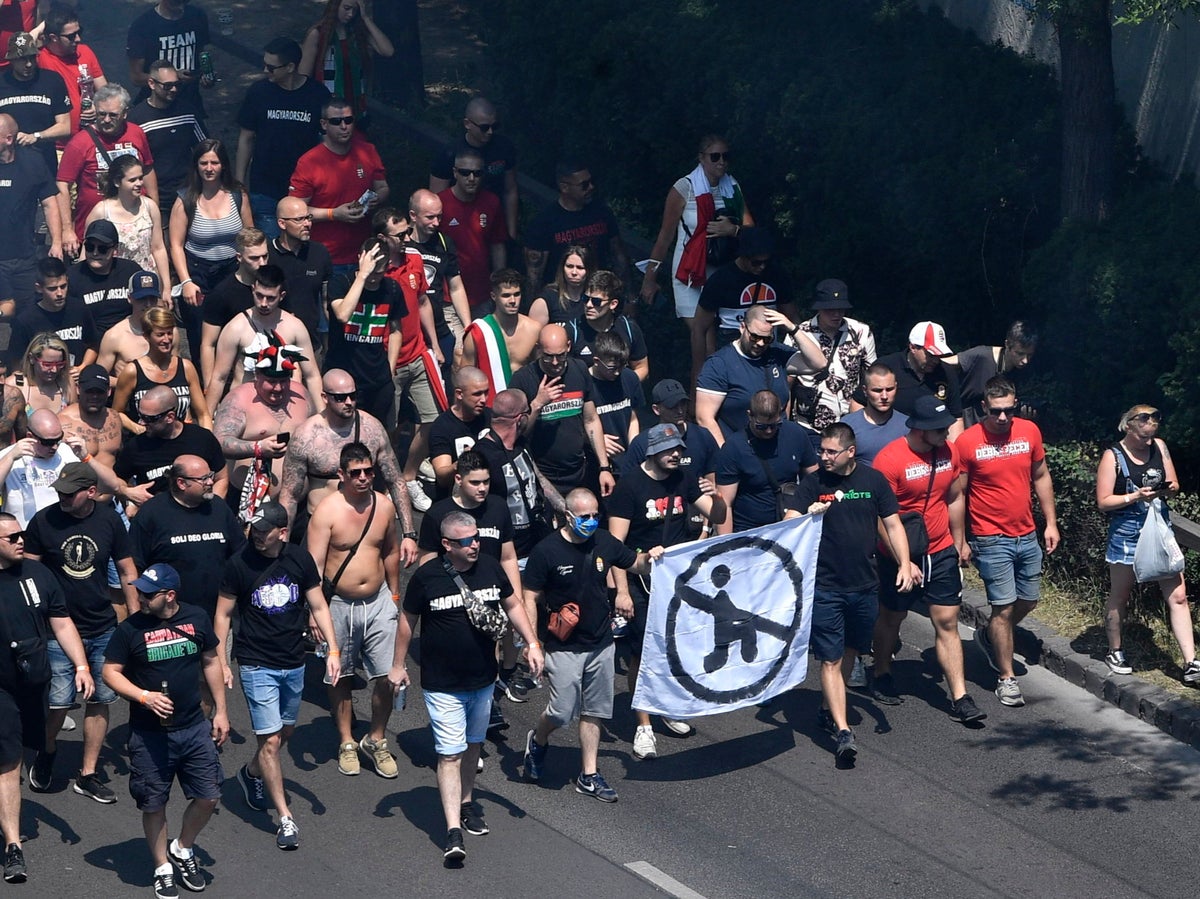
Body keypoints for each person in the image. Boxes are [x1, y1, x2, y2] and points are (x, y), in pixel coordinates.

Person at [391, 511, 542, 864]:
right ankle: (452, 832)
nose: (475, 545)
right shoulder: (426, 578)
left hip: (482, 680)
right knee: (450, 754)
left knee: (473, 745)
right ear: (447, 545)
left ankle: (466, 802)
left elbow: (512, 604)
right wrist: (397, 665)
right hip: (442, 684)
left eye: (476, 539)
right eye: (465, 541)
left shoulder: (490, 568)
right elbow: (407, 622)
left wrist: (532, 642)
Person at [214, 501, 340, 850]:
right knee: (269, 742)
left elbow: (317, 605)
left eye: (264, 530)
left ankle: (250, 773)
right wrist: (223, 662)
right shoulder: (239, 563)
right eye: (254, 528)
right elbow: (223, 615)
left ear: (282, 533)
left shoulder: (299, 559)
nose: (256, 535)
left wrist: (333, 650)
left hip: (293, 661)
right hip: (256, 662)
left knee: (284, 733)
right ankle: (285, 818)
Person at [521, 488, 661, 800]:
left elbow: (635, 563)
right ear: (568, 517)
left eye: (595, 515)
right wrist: (532, 643)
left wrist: (651, 558)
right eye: (584, 517)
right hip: (564, 646)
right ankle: (539, 740)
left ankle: (589, 774)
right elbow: (529, 597)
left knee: (594, 710)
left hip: (600, 642)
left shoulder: (604, 541)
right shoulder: (546, 552)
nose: (591, 521)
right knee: (561, 712)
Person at [785, 423, 913, 763]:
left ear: (850, 452)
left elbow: (892, 524)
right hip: (825, 587)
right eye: (821, 451)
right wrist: (804, 518)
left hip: (865, 585)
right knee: (830, 658)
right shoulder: (813, 483)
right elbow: (788, 520)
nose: (824, 457)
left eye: (830, 452)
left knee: (852, 650)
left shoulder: (872, 481)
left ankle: (828, 708)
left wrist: (904, 563)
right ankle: (843, 731)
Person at [102, 562, 229, 898]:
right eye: (139, 591)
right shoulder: (130, 630)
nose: (140, 597)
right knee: (153, 803)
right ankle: (162, 866)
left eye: (148, 593)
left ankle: (183, 848)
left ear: (170, 595)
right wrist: (144, 696)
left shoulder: (197, 618)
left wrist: (221, 711)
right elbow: (110, 673)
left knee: (209, 795)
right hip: (149, 735)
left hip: (193, 727)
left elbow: (212, 661)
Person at [607, 424, 725, 759]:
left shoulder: (684, 479)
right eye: (670, 449)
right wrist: (622, 592)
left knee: (676, 646)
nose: (677, 454)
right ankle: (643, 724)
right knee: (643, 654)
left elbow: (717, 514)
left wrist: (715, 495)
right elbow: (616, 546)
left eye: (679, 449)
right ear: (652, 451)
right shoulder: (629, 487)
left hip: (676, 583)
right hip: (641, 580)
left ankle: (666, 704)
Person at [23, 462, 138, 802]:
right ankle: (46, 751)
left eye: (70, 493)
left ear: (90, 492)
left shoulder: (109, 520)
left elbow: (127, 569)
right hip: (58, 628)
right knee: (59, 701)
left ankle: (87, 773)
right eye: (60, 491)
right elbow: (29, 572)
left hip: (102, 624)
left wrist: (134, 620)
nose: (63, 498)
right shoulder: (44, 521)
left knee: (101, 699)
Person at [869, 397, 986, 722]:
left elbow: (954, 496)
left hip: (941, 551)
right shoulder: (889, 460)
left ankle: (961, 697)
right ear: (920, 429)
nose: (947, 432)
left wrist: (960, 541)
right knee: (893, 618)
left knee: (947, 623)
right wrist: (903, 560)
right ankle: (881, 671)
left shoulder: (948, 452)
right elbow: (880, 517)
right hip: (899, 555)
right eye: (940, 428)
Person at [0, 510, 93, 886]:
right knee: (8, 764)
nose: (22, 541)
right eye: (12, 537)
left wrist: (82, 666)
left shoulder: (38, 575)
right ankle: (12, 846)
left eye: (22, 534)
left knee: (20, 754)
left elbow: (61, 621)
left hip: (32, 680)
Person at [959, 377, 1059, 708]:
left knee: (1028, 601)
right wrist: (960, 539)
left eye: (1009, 411)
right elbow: (957, 493)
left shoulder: (1029, 431)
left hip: (1026, 532)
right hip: (989, 537)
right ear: (984, 407)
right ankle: (1006, 677)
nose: (1003, 418)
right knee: (1002, 607)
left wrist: (1051, 523)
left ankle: (988, 636)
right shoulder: (968, 442)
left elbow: (1041, 476)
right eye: (997, 412)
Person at [306, 442, 401, 778]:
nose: (363, 478)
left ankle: (376, 738)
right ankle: (347, 740)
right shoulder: (327, 512)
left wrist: (394, 593)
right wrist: (313, 614)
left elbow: (390, 550)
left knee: (388, 676)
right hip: (338, 605)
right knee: (340, 674)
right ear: (341, 475)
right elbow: (313, 567)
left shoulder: (385, 507)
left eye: (368, 472)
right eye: (355, 473)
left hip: (378, 601)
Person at [1095, 404, 1198, 684]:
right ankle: (1115, 650)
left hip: (1158, 526)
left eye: (1154, 419)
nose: (1150, 425)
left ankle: (1190, 661)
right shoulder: (1113, 456)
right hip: (1128, 529)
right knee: (1121, 594)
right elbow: (1103, 501)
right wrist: (1134, 496)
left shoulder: (1160, 447)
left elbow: (1174, 482)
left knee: (1177, 594)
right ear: (1129, 425)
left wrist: (1167, 489)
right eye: (1144, 420)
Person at [275, 369, 417, 562]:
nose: (349, 402)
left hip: (365, 524)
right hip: (322, 530)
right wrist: (282, 545)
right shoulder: (306, 436)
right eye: (340, 398)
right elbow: (289, 495)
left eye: (353, 395)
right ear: (325, 397)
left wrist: (409, 534)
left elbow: (395, 480)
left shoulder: (372, 428)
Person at [640, 134, 754, 325]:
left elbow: (750, 229)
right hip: (690, 269)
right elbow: (665, 237)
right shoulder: (684, 187)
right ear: (701, 158)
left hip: (723, 266)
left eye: (726, 157)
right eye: (715, 157)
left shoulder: (732, 186)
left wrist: (732, 229)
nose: (722, 162)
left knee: (720, 333)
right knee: (699, 331)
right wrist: (649, 279)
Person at [375, 206, 443, 509]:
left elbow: (423, 301)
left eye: (406, 232)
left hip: (418, 354)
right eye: (399, 235)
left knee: (432, 420)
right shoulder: (373, 271)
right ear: (381, 238)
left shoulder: (415, 260)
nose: (406, 238)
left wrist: (435, 344)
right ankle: (385, 485)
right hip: (387, 361)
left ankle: (409, 476)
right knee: (388, 428)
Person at [127, 454, 243, 626]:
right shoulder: (152, 513)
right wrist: (137, 616)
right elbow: (134, 566)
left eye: (210, 476)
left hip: (218, 617)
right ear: (181, 483)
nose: (211, 482)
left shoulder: (218, 508)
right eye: (203, 479)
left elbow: (240, 555)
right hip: (168, 620)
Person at [169, 140, 253, 364]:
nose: (209, 168)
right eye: (203, 162)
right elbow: (176, 245)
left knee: (236, 333)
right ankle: (204, 390)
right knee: (200, 338)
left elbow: (250, 236)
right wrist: (185, 281)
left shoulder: (238, 195)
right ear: (196, 165)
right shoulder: (185, 200)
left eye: (214, 162)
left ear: (223, 165)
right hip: (199, 274)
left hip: (233, 272)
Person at [509, 323, 615, 497]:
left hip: (579, 472)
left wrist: (604, 467)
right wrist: (537, 404)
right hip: (542, 476)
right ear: (538, 350)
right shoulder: (522, 379)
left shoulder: (579, 369)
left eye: (560, 355)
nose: (555, 362)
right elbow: (515, 435)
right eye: (548, 356)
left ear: (568, 346)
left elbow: (591, 420)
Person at [236, 37, 328, 237]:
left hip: (305, 189)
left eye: (271, 67)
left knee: (303, 247)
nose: (265, 71)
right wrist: (239, 181)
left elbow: (326, 140)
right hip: (265, 187)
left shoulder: (317, 94)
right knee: (271, 249)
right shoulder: (259, 92)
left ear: (290, 67)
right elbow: (246, 137)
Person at [288, 95, 389, 269]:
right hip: (325, 257)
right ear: (324, 124)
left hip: (363, 253)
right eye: (336, 122)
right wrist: (333, 214)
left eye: (348, 120)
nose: (344, 126)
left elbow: (383, 187)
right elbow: (295, 211)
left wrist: (377, 199)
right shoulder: (309, 162)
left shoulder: (368, 151)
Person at [212, 346, 313, 518]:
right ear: (257, 376)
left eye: (283, 381)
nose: (279, 388)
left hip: (297, 506)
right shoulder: (239, 399)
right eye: (271, 382)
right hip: (248, 504)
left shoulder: (301, 395)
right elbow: (219, 442)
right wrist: (258, 447)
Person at [205, 264, 323, 410]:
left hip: (283, 406)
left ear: (282, 296)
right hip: (245, 406)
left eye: (270, 298)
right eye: (259, 296)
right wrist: (207, 419)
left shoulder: (295, 327)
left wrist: (323, 416)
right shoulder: (236, 327)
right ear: (253, 290)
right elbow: (219, 377)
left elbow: (312, 375)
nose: (264, 303)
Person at [56, 84, 157, 253]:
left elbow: (147, 169)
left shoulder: (137, 133)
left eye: (113, 115)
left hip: (135, 223)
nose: (107, 120)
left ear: (125, 113)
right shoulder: (80, 142)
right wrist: (67, 229)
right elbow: (62, 185)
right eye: (102, 114)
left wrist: (154, 210)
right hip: (96, 227)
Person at [691, 228, 798, 385]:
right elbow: (699, 328)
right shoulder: (720, 280)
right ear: (743, 256)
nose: (762, 267)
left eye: (766, 262)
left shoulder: (777, 275)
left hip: (769, 355)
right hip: (730, 356)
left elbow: (794, 318)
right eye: (756, 262)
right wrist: (700, 372)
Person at [472, 388, 564, 561]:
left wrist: (566, 509)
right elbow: (467, 502)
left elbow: (539, 480)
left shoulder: (520, 444)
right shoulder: (482, 455)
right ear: (521, 418)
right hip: (510, 554)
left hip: (539, 543)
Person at [325, 238, 405, 425]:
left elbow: (395, 330)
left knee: (378, 433)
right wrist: (362, 276)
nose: (374, 277)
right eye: (371, 271)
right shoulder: (340, 283)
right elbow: (343, 314)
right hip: (343, 376)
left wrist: (390, 368)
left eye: (380, 272)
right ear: (360, 258)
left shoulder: (392, 289)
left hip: (377, 379)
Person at [715, 389, 818, 534]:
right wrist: (726, 545)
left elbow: (814, 480)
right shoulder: (734, 447)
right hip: (750, 531)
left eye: (775, 425)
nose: (769, 431)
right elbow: (726, 503)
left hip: (790, 527)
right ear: (749, 415)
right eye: (761, 427)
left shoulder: (796, 435)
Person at [524, 161, 631, 297]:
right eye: (584, 185)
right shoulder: (544, 222)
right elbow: (534, 276)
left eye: (591, 181)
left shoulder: (602, 213)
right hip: (560, 300)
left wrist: (629, 298)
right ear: (564, 187)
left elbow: (619, 256)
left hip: (599, 296)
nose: (591, 187)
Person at [787, 278, 876, 439]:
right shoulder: (799, 335)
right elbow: (786, 383)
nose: (836, 314)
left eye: (841, 309)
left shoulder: (861, 332)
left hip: (851, 422)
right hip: (809, 425)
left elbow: (872, 376)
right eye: (830, 309)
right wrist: (784, 426)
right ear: (819, 308)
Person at [695, 304, 795, 445]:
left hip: (779, 445)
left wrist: (792, 327)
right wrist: (727, 453)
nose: (760, 343)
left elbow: (819, 364)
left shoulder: (777, 353)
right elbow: (704, 417)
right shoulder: (719, 363)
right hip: (739, 447)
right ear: (742, 327)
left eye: (767, 339)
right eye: (754, 336)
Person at [127, 59, 206, 228]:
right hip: (155, 197)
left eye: (177, 84)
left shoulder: (188, 111)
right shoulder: (137, 119)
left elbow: (205, 149)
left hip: (188, 193)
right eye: (168, 85)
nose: (174, 89)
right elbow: (132, 161)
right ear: (151, 83)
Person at [428, 96, 519, 238]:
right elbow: (436, 198)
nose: (490, 132)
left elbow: (510, 190)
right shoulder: (448, 153)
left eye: (494, 126)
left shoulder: (504, 147)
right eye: (484, 127)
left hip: (495, 219)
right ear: (467, 124)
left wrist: (511, 233)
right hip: (459, 222)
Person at [406, 188, 472, 380]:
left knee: (450, 375)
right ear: (413, 216)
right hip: (409, 329)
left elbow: (456, 286)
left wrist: (467, 325)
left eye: (439, 217)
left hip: (438, 324)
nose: (436, 223)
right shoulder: (402, 243)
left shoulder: (444, 243)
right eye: (430, 217)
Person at [111, 306, 210, 433]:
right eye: (160, 334)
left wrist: (209, 440)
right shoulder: (133, 371)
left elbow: (203, 414)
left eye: (169, 333)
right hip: (147, 443)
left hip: (181, 440)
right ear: (146, 336)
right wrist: (138, 429)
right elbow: (117, 413)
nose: (166, 339)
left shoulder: (186, 367)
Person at [114, 387, 225, 500]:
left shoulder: (202, 438)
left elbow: (221, 478)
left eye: (149, 419)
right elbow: (118, 479)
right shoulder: (136, 446)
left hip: (199, 511)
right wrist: (128, 493)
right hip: (157, 514)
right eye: (141, 416)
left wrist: (214, 508)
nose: (142, 422)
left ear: (170, 417)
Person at [0, 113, 62, 312]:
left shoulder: (32, 162)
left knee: (27, 315)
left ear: (9, 139)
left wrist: (57, 242)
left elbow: (49, 203)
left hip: (24, 256)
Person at [437, 146, 508, 311]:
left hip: (482, 293)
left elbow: (497, 245)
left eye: (477, 173)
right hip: (448, 295)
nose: (471, 178)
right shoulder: (439, 203)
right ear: (455, 172)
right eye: (464, 172)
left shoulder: (492, 202)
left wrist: (500, 282)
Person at [299, 0, 394, 119]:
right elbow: (303, 76)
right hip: (328, 107)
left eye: (355, 11)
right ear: (335, 5)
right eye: (346, 8)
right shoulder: (318, 33)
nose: (350, 14)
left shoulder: (357, 32)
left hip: (355, 105)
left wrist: (366, 19)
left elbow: (387, 51)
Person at [84, 155, 170, 285]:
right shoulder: (101, 211)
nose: (139, 183)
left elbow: (158, 248)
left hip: (145, 280)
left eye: (141, 178)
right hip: (113, 280)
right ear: (117, 182)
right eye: (132, 180)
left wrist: (167, 286)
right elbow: (88, 251)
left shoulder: (150, 207)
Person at [619, 378, 719, 489]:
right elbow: (628, 484)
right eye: (673, 406)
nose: (680, 410)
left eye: (683, 404)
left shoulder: (703, 436)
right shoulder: (642, 443)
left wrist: (711, 490)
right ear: (656, 409)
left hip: (696, 502)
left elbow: (714, 479)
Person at [196, 227, 268, 380]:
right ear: (239, 257)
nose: (262, 263)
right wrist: (209, 386)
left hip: (271, 370)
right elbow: (208, 344)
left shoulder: (275, 286)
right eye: (254, 258)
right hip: (236, 375)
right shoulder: (221, 294)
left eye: (265, 256)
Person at [871, 321, 964, 439]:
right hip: (891, 440)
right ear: (913, 347)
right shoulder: (887, 367)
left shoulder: (947, 372)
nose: (935, 360)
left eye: (939, 355)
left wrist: (953, 451)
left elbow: (956, 417)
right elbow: (860, 402)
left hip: (934, 444)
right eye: (930, 354)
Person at [458, 268, 540, 399]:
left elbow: (540, 372)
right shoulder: (478, 332)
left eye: (517, 294)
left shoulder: (534, 329)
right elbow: (465, 377)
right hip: (490, 405)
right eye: (506, 295)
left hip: (525, 402)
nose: (513, 300)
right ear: (493, 296)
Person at [6, 257, 97, 376]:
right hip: (40, 384)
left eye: (63, 286)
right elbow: (16, 364)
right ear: (39, 288)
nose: (59, 293)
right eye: (52, 289)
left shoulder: (79, 308)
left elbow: (94, 345)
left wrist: (82, 367)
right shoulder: (25, 320)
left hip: (75, 379)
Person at [0, 31, 71, 178]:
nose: (28, 64)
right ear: (12, 60)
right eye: (22, 59)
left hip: (44, 164)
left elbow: (65, 126)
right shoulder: (1, 82)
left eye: (32, 57)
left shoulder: (52, 81)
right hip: (7, 167)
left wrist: (36, 136)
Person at [36, 4, 107, 147]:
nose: (78, 38)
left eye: (79, 31)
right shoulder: (40, 57)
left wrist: (98, 107)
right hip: (57, 145)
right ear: (53, 37)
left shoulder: (85, 51)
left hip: (90, 140)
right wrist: (43, 25)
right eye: (71, 36)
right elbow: (20, 43)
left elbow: (106, 91)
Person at [125, 0, 212, 113]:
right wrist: (174, 77)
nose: (180, 6)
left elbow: (201, 56)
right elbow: (136, 77)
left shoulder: (197, 16)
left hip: (191, 102)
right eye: (175, 2)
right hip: (157, 106)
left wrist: (205, 76)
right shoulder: (142, 26)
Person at [94, 271, 177, 385]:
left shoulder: (170, 333)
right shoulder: (115, 336)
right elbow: (98, 377)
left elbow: (176, 369)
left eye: (152, 298)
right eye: (142, 299)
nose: (148, 304)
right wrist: (131, 384)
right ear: (130, 298)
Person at [0, 407, 80, 526]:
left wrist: (85, 457)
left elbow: (89, 488)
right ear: (30, 436)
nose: (54, 447)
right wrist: (10, 458)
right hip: (23, 533)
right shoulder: (8, 455)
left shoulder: (66, 452)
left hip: (59, 529)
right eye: (47, 442)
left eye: (58, 440)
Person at [271, 197, 332, 349]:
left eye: (308, 218)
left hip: (311, 344)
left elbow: (326, 302)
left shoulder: (320, 253)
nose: (307, 224)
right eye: (299, 219)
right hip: (273, 344)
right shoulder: (267, 255)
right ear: (282, 223)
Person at [565, 270, 648, 380]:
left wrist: (626, 387)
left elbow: (641, 367)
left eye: (596, 301)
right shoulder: (572, 331)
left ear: (613, 304)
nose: (589, 305)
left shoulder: (629, 329)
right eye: (585, 299)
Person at [953, 320, 1039, 427]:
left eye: (1029, 355)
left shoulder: (1024, 371)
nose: (1025, 360)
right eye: (1020, 353)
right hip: (961, 422)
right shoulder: (981, 356)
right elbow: (943, 364)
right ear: (1007, 344)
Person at [70, 219, 141, 338]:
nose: (95, 253)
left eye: (102, 249)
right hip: (90, 342)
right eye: (90, 247)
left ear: (115, 249)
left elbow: (149, 307)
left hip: (129, 338)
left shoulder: (131, 271)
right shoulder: (72, 276)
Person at [428, 366, 491, 498]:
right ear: (459, 394)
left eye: (486, 392)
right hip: (456, 500)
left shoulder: (491, 416)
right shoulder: (442, 427)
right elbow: (442, 477)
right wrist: (464, 460)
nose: (484, 399)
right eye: (477, 394)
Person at [587, 331, 643, 469]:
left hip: (626, 460)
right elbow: (573, 426)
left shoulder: (629, 378)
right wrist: (598, 440)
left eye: (622, 365)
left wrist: (635, 450)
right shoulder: (583, 382)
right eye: (612, 368)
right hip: (593, 461)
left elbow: (633, 418)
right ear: (596, 361)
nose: (617, 372)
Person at [841, 362, 909, 466]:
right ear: (865, 390)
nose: (884, 396)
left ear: (896, 387)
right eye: (877, 390)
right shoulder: (848, 426)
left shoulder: (907, 426)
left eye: (890, 389)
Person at [59, 364, 122, 469]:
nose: (94, 396)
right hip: (79, 484)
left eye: (99, 392)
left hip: (111, 483)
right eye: (89, 391)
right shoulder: (62, 422)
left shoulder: (114, 418)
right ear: (78, 389)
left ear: (109, 391)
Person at [7, 332, 74, 414]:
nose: (54, 370)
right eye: (47, 364)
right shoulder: (15, 385)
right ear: (32, 358)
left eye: (59, 364)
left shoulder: (67, 383)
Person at [527, 244, 592, 327]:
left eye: (580, 268)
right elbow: (531, 336)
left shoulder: (595, 300)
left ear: (589, 269)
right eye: (569, 266)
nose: (574, 272)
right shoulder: (546, 300)